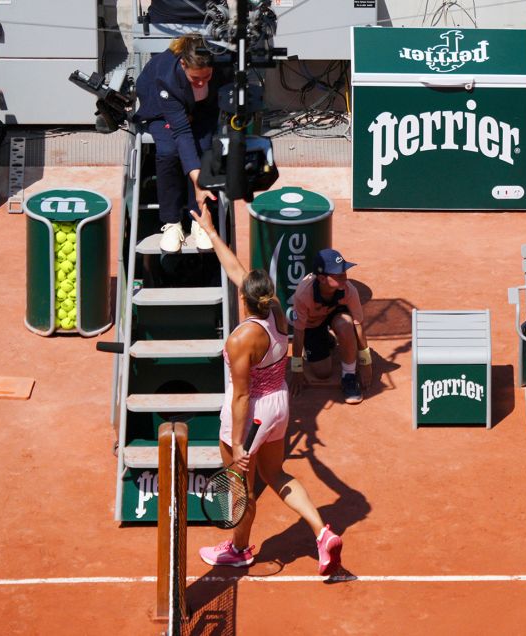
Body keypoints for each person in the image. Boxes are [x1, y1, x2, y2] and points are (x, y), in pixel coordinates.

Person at [190, 207, 343, 576]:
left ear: (245, 299)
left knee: (241, 485)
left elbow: (241, 395)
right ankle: (322, 533)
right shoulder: (276, 311)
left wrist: (240, 445)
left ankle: (239, 549)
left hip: (253, 412)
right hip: (279, 405)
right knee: (276, 473)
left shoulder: (243, 338)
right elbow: (237, 271)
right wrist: (211, 234)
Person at [134, 34, 220, 253]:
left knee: (205, 147)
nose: (201, 83)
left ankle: (199, 218)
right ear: (183, 64)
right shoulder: (166, 77)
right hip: (161, 111)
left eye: (207, 77)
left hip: (200, 112)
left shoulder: (220, 66)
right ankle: (172, 222)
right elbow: (181, 131)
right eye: (195, 79)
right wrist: (199, 182)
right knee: (169, 151)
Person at [289, 248, 372, 405]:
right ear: (321, 278)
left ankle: (349, 376)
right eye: (338, 275)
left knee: (346, 325)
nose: (344, 277)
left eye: (344, 272)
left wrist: (365, 362)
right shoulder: (303, 295)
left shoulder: (348, 289)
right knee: (322, 372)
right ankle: (326, 339)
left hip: (335, 314)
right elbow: (298, 332)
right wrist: (297, 368)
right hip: (312, 324)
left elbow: (358, 323)